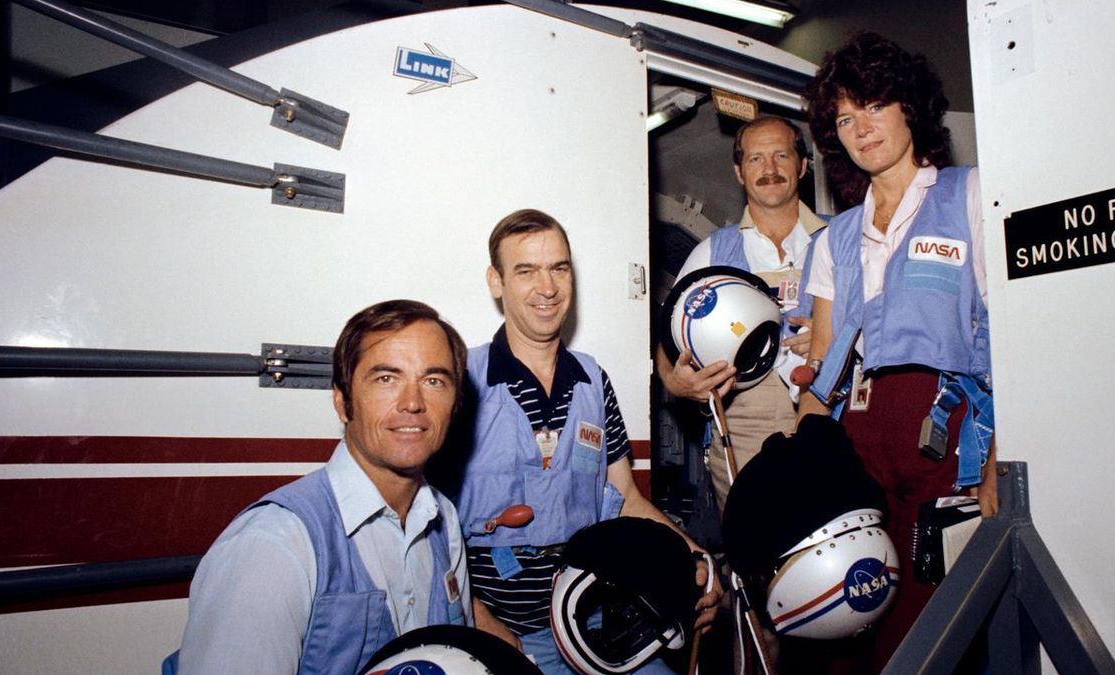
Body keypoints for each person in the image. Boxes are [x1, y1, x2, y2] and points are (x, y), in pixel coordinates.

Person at [798, 32, 998, 670]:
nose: (862, 128)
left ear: (909, 106)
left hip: (947, 432)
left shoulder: (969, 197)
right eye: (845, 118)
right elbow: (826, 355)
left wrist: (1000, 460)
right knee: (850, 606)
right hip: (858, 433)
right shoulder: (835, 237)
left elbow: (1009, 338)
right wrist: (801, 455)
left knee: (933, 609)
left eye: (874, 106)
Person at [452, 208, 720, 674]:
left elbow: (625, 499)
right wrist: (484, 625)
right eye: (526, 271)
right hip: (505, 633)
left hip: (595, 618)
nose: (548, 287)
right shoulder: (460, 382)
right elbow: (428, 532)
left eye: (559, 267)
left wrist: (692, 556)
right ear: (496, 282)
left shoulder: (593, 381)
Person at [168, 300, 474, 675]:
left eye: (433, 381)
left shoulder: (444, 520)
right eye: (386, 379)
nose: (412, 403)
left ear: (455, 404)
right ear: (342, 402)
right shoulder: (272, 546)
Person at [656, 115, 827, 508]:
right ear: (738, 171)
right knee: (760, 553)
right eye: (755, 159)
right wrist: (677, 382)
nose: (770, 170)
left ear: (802, 165)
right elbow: (667, 339)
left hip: (836, 411)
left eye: (782, 155)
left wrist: (837, 336)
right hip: (748, 420)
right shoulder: (713, 251)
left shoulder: (843, 238)